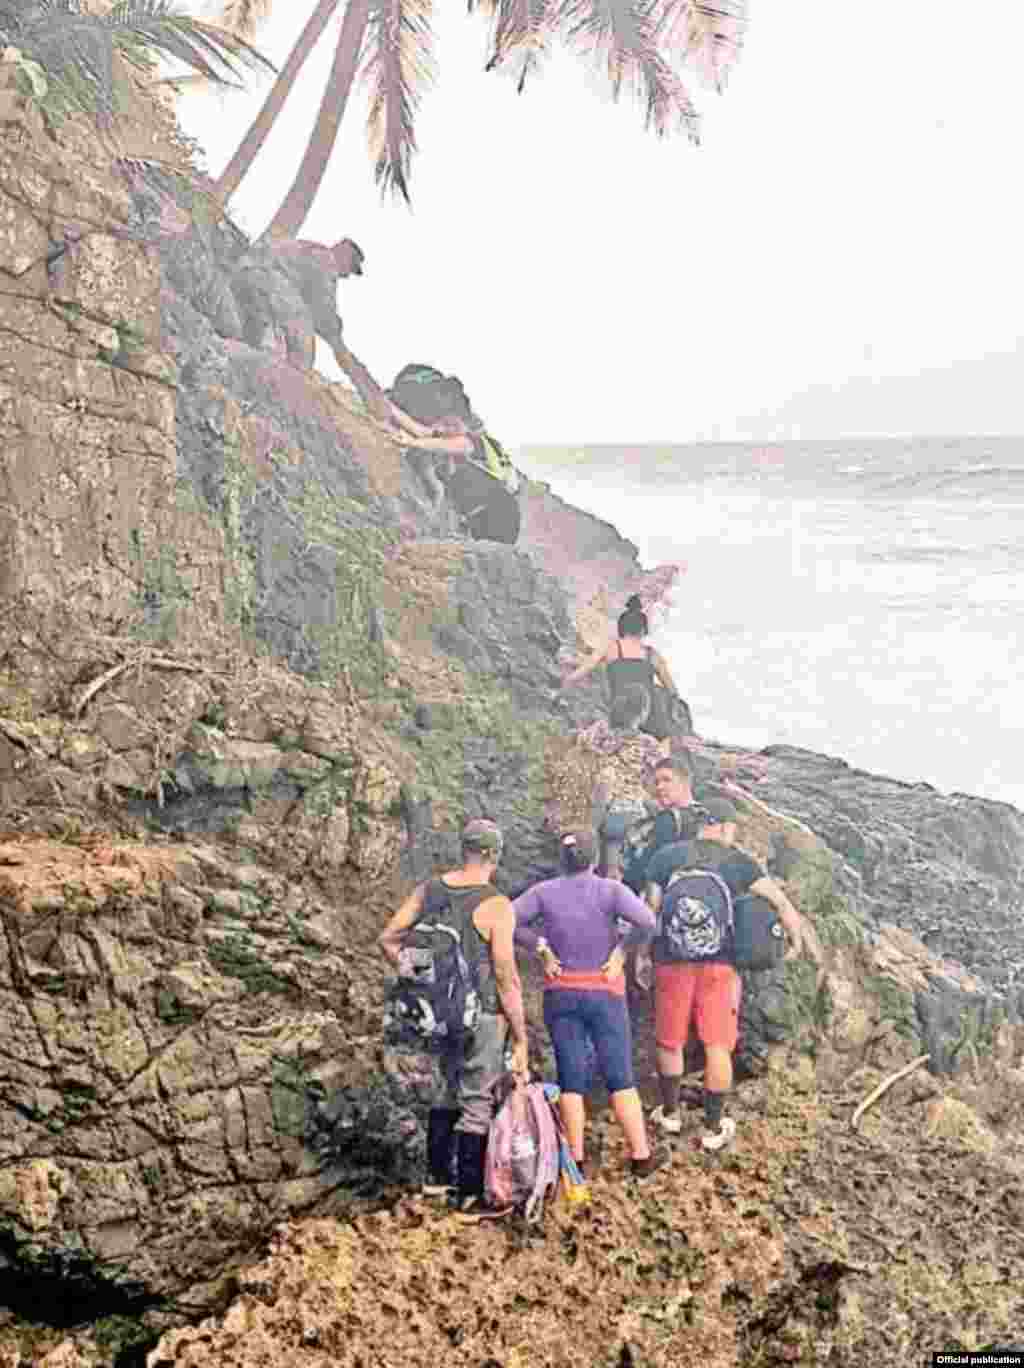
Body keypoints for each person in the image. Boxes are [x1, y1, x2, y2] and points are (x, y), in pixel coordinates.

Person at [378, 818, 529, 1217]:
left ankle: (435, 1181)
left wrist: (422, 977)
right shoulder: (496, 904)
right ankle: (467, 1195)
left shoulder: (429, 888)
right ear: (495, 855)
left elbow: (388, 938)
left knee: (444, 1091)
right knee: (477, 1099)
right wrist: (520, 1036)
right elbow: (505, 975)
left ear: (463, 849)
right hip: (481, 1014)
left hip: (438, 1012)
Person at [637, 797, 805, 1151]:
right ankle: (713, 1128)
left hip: (671, 961)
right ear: (727, 827)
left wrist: (642, 956)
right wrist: (795, 942)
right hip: (720, 966)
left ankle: (670, 1113)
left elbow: (649, 913)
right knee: (717, 1045)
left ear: (700, 824)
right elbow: (782, 905)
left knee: (670, 1040)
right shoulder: (740, 862)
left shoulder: (666, 857)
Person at [512, 830, 667, 1180]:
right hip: (605, 992)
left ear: (560, 860)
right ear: (594, 859)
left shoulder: (543, 892)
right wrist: (621, 952)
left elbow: (506, 921)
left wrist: (540, 946)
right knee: (620, 1076)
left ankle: (576, 1162)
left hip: (562, 993)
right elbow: (647, 921)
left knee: (571, 1078)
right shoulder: (610, 890)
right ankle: (640, 1157)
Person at [559, 594, 690, 744]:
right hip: (652, 720)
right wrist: (672, 715)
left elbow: (580, 672)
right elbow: (673, 691)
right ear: (643, 630)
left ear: (621, 628)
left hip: (622, 718)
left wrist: (561, 691)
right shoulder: (652, 654)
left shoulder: (610, 648)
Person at [576, 683, 666, 878]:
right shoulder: (647, 743)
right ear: (643, 713)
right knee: (614, 867)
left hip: (593, 807)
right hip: (626, 811)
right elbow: (662, 772)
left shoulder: (600, 730)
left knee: (590, 866)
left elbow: (581, 744)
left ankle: (588, 871)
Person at [620, 752, 713, 893]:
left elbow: (645, 869)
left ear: (685, 783)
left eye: (666, 780)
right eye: (657, 782)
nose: (659, 787)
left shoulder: (668, 819)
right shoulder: (705, 816)